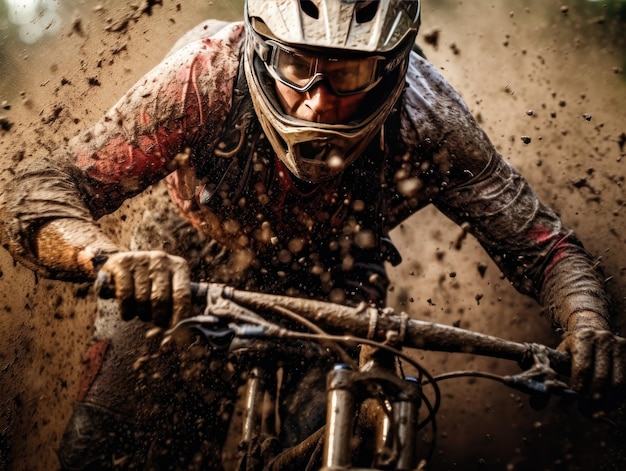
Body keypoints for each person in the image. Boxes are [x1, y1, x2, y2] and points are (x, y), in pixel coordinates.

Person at [1, 0, 624, 469]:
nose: (315, 103)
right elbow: (43, 187)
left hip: (336, 282)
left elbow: (545, 247)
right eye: (297, 65)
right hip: (183, 267)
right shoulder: (206, 76)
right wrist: (108, 258)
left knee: (371, 441)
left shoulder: (429, 117)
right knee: (104, 449)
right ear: (260, 45)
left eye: (347, 75)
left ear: (392, 69)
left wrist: (587, 321)